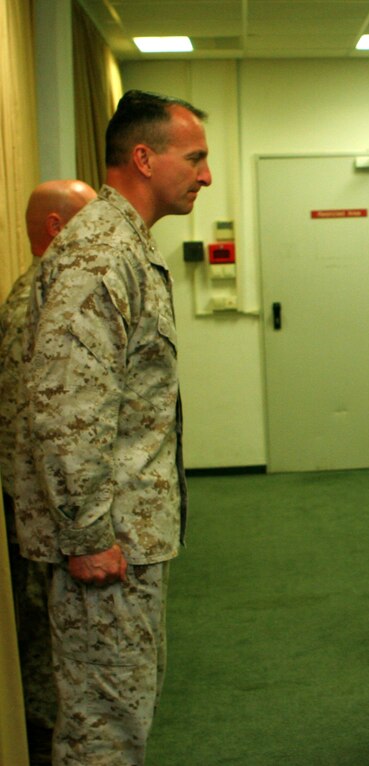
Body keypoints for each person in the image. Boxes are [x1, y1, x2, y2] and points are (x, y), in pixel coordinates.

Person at [14, 90, 211, 765]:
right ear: (144, 157)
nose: (206, 175)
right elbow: (66, 404)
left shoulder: (125, 243)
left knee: (121, 706)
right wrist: (90, 532)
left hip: (128, 531)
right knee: (105, 726)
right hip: (107, 541)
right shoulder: (101, 254)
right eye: (196, 159)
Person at [0, 179, 96, 764]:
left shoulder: (38, 291)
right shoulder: (46, 299)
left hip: (42, 509)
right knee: (55, 652)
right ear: (56, 228)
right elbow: (45, 418)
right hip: (47, 512)